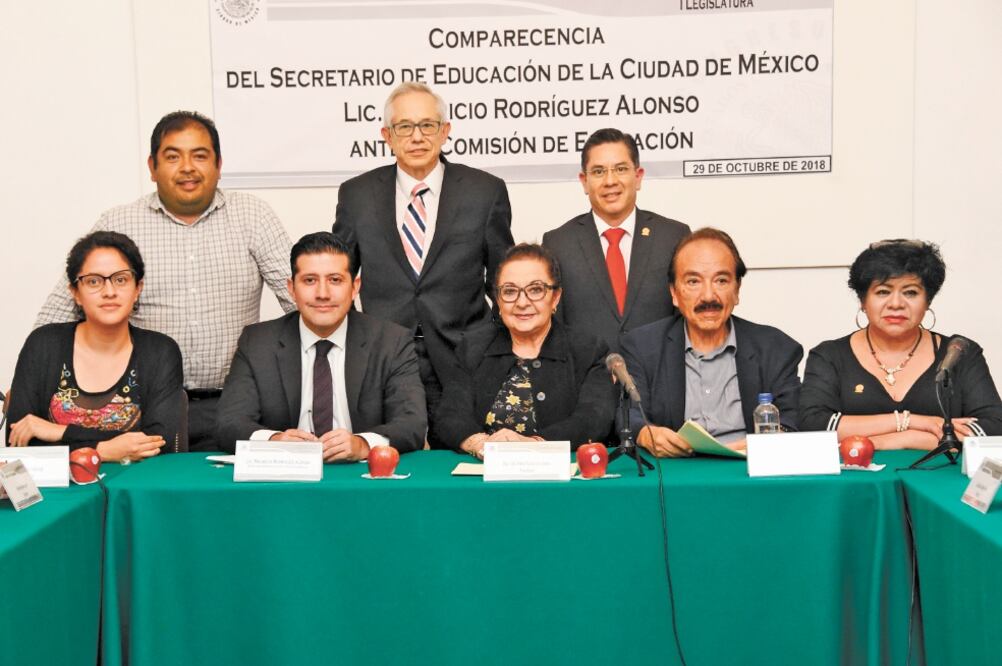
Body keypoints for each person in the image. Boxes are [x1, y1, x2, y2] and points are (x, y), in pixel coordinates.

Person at [35, 111, 295, 452]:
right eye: (172, 157)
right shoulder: (120, 222)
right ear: (152, 167)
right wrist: (31, 388)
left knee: (231, 502)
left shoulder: (252, 216)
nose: (187, 167)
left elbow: (304, 298)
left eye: (200, 156)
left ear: (218, 164)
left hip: (236, 404)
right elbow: (62, 310)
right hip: (141, 408)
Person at [332, 82, 514, 438]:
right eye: (404, 127)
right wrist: (358, 342)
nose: (417, 137)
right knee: (386, 462)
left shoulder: (484, 191)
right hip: (382, 359)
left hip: (463, 359)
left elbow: (503, 282)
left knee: (460, 463)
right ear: (387, 134)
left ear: (445, 131)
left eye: (427, 125)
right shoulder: (356, 195)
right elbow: (339, 278)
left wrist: (486, 346)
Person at [215, 232, 426, 459]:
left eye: (335, 280)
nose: (323, 294)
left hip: (360, 479)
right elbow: (229, 424)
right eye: (309, 280)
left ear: (355, 287)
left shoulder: (391, 341)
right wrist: (275, 441)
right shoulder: (257, 342)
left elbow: (412, 423)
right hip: (284, 481)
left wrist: (363, 444)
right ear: (291, 288)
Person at [799, 239, 1002, 448]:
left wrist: (902, 439)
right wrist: (913, 421)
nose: (896, 304)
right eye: (883, 292)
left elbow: (994, 427)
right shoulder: (830, 355)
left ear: (928, 301)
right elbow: (813, 425)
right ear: (863, 301)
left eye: (911, 292)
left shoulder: (958, 352)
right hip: (858, 478)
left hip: (939, 476)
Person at [621, 228, 803, 457]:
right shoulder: (642, 346)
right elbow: (627, 413)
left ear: (737, 290)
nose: (708, 296)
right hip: (677, 474)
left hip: (749, 472)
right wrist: (646, 434)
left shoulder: (776, 348)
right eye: (693, 281)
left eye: (721, 280)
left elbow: (792, 417)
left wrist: (767, 443)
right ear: (674, 293)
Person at [6, 232, 183, 462]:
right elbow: (21, 442)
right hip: (59, 492)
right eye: (93, 281)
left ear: (138, 288)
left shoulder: (161, 351)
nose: (109, 292)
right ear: (75, 293)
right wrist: (105, 449)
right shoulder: (43, 344)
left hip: (133, 488)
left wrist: (60, 432)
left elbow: (158, 442)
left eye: (120, 279)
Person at [434, 244, 616, 457]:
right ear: (498, 300)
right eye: (510, 291)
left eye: (535, 290)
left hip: (560, 480)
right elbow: (450, 415)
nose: (522, 302)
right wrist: (482, 444)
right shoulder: (472, 347)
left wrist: (533, 445)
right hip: (483, 475)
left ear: (555, 297)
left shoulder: (588, 350)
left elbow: (594, 419)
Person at [542, 128, 690, 352]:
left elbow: (686, 322)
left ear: (638, 176)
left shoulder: (673, 237)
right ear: (584, 181)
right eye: (599, 171)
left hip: (659, 380)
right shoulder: (559, 244)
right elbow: (553, 330)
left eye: (620, 169)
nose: (610, 181)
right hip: (587, 382)